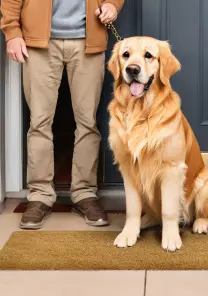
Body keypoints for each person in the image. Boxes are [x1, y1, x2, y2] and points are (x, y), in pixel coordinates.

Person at [0, 0, 125, 229]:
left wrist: (112, 5)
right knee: (39, 123)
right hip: (38, 41)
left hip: (89, 39)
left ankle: (85, 194)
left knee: (88, 123)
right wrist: (12, 32)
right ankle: (39, 196)